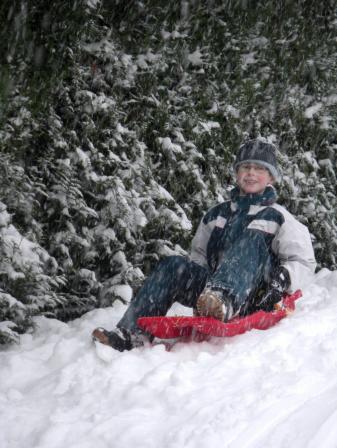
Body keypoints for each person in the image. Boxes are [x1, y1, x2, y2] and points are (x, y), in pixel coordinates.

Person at [92, 138, 316, 351]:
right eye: (245, 167)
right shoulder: (217, 214)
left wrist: (282, 281)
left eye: (259, 168)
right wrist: (195, 280)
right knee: (173, 265)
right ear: (237, 173)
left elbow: (303, 261)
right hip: (208, 296)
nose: (251, 173)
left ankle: (223, 299)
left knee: (250, 240)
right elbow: (199, 255)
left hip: (256, 296)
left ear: (271, 177)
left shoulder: (278, 216)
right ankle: (131, 334)